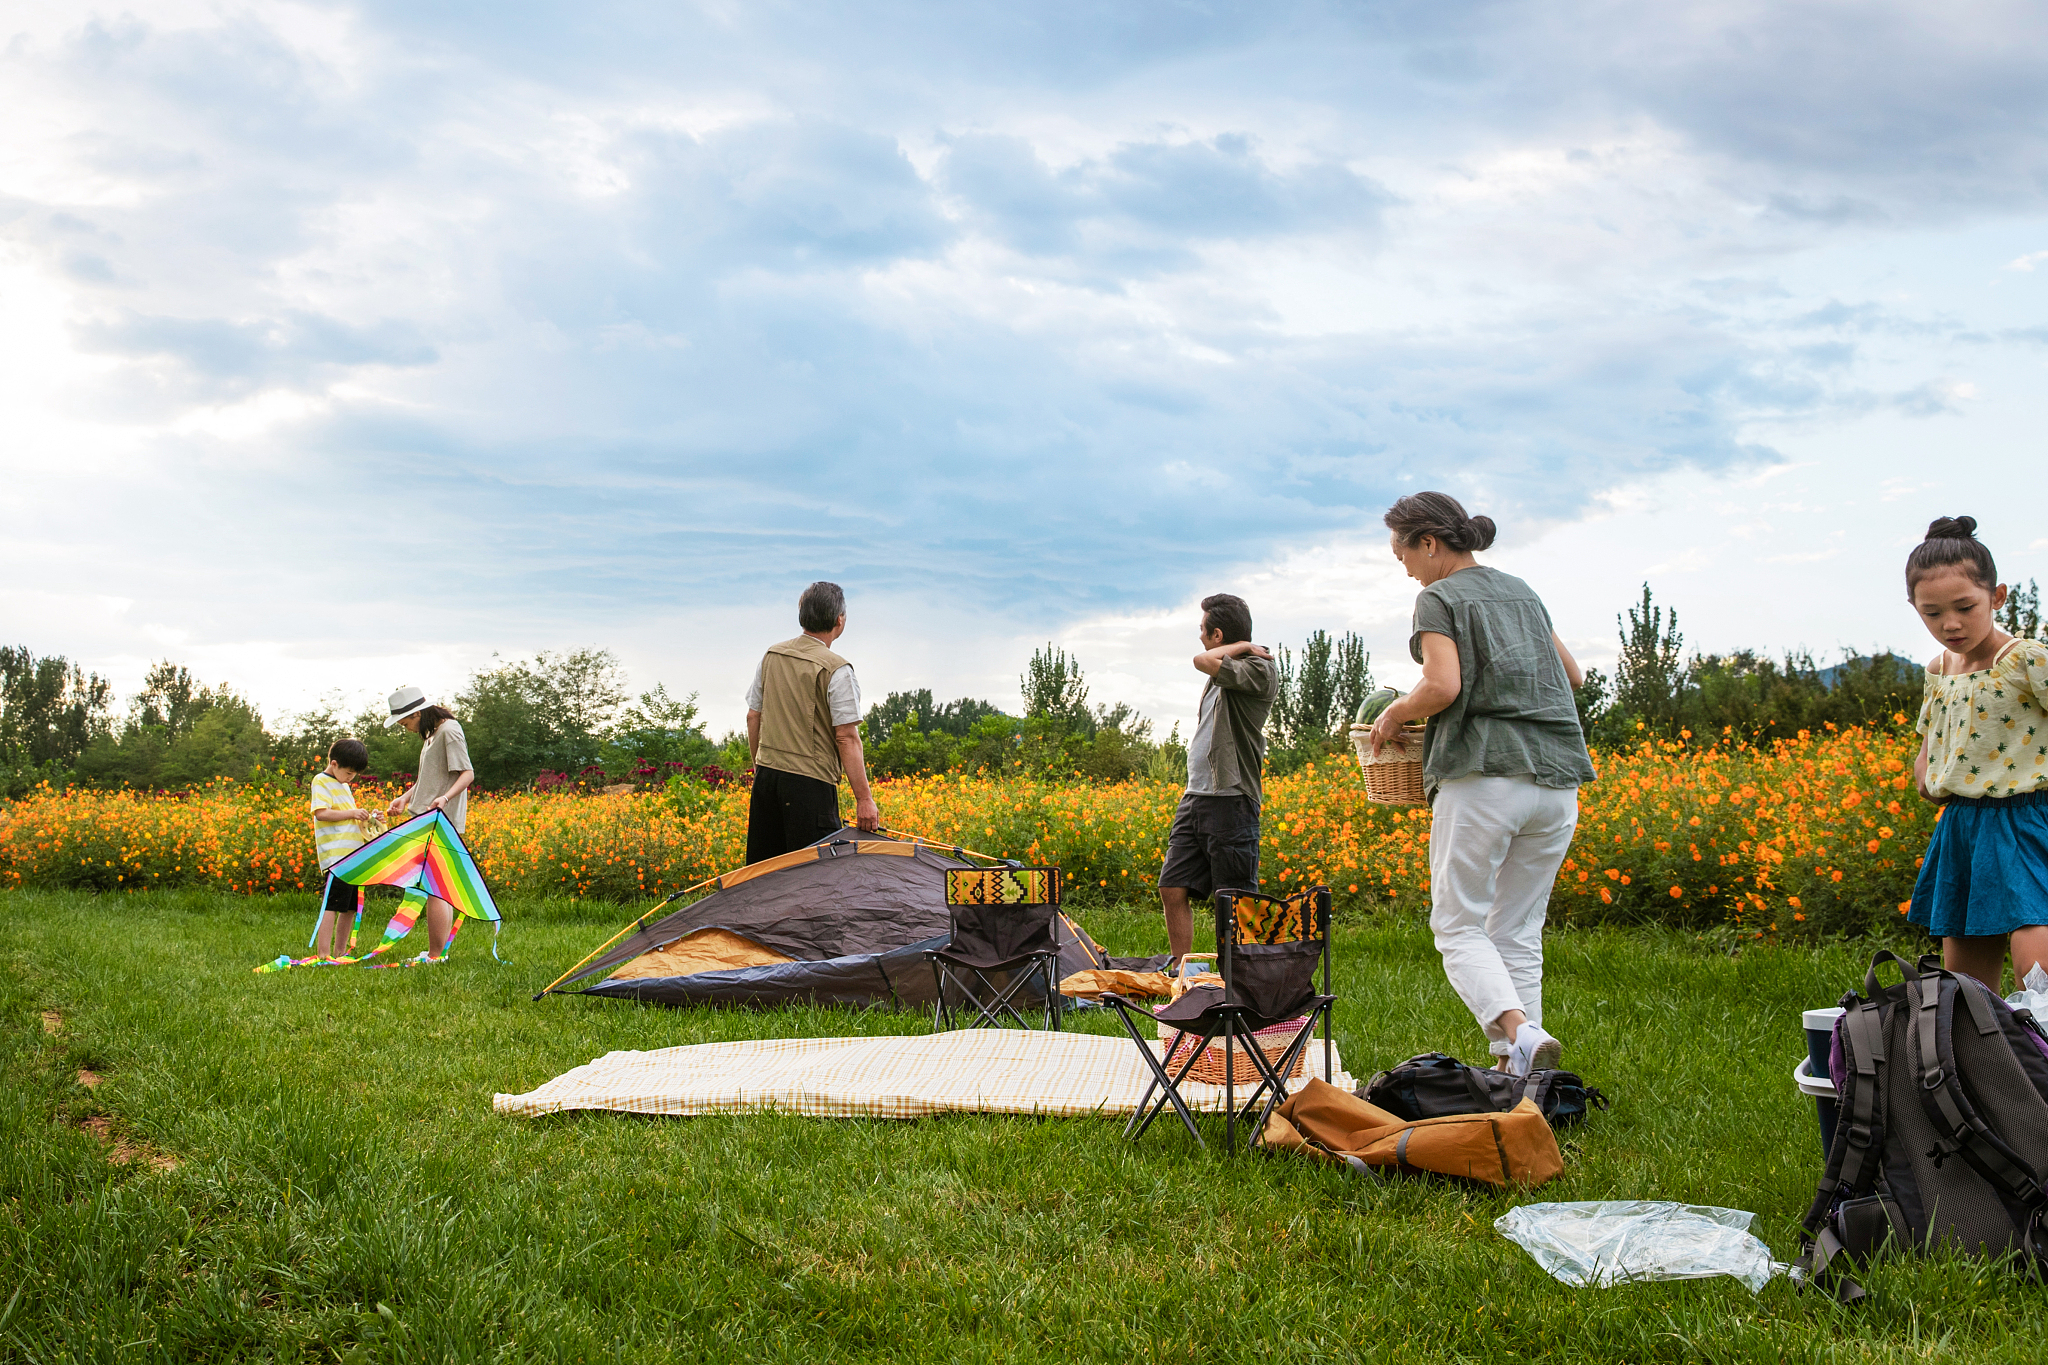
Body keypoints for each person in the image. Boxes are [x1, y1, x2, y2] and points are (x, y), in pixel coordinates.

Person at [1368, 491, 1596, 1076]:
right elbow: (1572, 675)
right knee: (1516, 930)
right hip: (1557, 780)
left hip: (1485, 775)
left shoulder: (1438, 598)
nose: (1407, 571)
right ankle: (1521, 1076)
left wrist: (1394, 714)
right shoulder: (1522, 591)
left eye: (1404, 557)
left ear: (1428, 542)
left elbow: (1442, 686)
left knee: (1457, 925)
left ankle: (1519, 1033)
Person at [1906, 516, 2048, 991]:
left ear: (1997, 597)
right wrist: (1928, 775)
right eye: (1932, 613)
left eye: (1965, 607)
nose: (1950, 623)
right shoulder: (1938, 669)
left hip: (2027, 817)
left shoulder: (2025, 659)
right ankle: (1982, 1039)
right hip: (1963, 825)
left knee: (2037, 957)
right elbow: (1930, 745)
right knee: (1965, 981)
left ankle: (2040, 1028)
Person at [1158, 593, 1278, 969]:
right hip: (1196, 796)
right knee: (1172, 886)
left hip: (1231, 798)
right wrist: (1239, 646)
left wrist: (1242, 647)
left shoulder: (1258, 668)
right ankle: (1184, 972)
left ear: (1217, 635)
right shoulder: (1223, 671)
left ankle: (1240, 980)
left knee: (1235, 901)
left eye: (1202, 630)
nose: (1199, 637)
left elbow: (1201, 660)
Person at [744, 581, 880, 864]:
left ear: (801, 613)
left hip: (767, 779)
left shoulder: (772, 655)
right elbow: (846, 737)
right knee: (814, 877)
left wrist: (760, 768)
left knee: (764, 873)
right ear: (839, 620)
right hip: (811, 787)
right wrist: (864, 800)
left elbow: (753, 716)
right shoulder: (837, 669)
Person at [382, 685, 474, 957]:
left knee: (434, 887)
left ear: (418, 713)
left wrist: (444, 798)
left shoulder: (449, 731)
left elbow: (467, 774)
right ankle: (437, 954)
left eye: (406, 723)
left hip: (440, 819)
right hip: (425, 817)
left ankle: (435, 955)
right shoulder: (432, 735)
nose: (407, 729)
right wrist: (405, 798)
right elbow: (428, 779)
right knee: (435, 886)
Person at [309, 737, 376, 958]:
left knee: (350, 907)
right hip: (337, 857)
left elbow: (350, 820)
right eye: (348, 773)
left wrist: (370, 818)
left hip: (352, 855)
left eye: (354, 774)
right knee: (331, 905)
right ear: (334, 763)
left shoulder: (343, 786)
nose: (350, 778)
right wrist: (352, 813)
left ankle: (340, 952)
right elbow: (322, 813)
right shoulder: (321, 781)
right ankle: (323, 953)